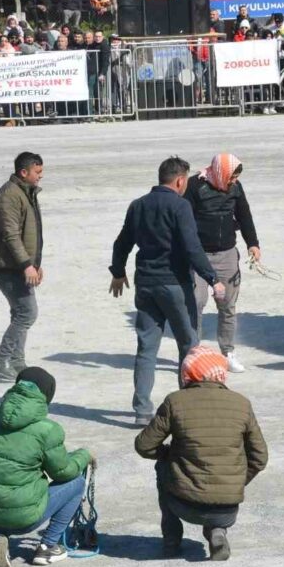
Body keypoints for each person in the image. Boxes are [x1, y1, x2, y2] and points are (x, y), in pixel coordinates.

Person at [109, 157, 225, 427]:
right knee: (189, 345)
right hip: (174, 284)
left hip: (146, 284)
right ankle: (188, 406)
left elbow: (122, 243)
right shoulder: (180, 206)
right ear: (180, 180)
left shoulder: (137, 205)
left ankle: (141, 411)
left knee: (146, 348)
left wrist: (117, 272)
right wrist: (212, 278)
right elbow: (191, 247)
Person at [0, 367, 93, 567]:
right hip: (24, 520)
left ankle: (0, 538)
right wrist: (84, 455)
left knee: (0, 495)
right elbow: (63, 472)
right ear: (46, 396)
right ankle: (48, 546)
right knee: (76, 483)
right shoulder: (47, 430)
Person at [135, 346, 268, 561]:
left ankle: (171, 540)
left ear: (187, 372)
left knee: (162, 466)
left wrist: (168, 455)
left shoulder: (175, 401)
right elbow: (260, 457)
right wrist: (235, 481)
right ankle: (217, 531)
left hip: (184, 503)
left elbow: (144, 445)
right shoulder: (242, 403)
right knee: (218, 472)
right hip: (227, 509)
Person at [183, 154, 261, 373]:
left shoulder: (236, 188)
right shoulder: (194, 186)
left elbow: (245, 216)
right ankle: (193, 352)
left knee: (227, 305)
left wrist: (253, 244)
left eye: (236, 177)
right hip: (199, 256)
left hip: (226, 254)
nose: (233, 181)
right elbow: (184, 220)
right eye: (231, 177)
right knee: (196, 304)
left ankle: (227, 352)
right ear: (220, 172)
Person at [0, 152, 45, 379]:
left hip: (19, 264)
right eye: (37, 172)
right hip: (5, 265)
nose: (41, 176)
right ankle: (2, 357)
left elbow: (31, 233)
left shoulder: (25, 192)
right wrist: (27, 264)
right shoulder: (9, 196)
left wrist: (35, 263)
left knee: (20, 312)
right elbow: (11, 235)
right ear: (23, 172)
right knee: (27, 312)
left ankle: (17, 361)